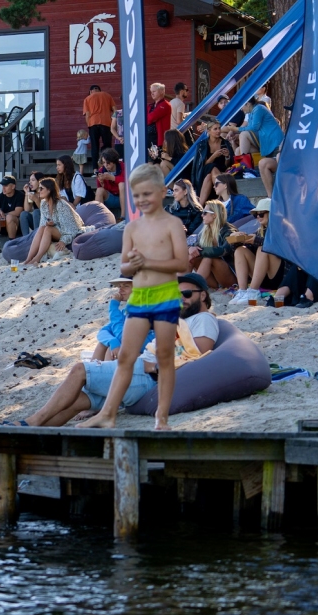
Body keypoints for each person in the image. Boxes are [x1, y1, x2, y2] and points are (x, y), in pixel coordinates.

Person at [23, 272, 217, 428]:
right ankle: (31, 431)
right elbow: (109, 331)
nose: (181, 299)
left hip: (144, 376)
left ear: (202, 295)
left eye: (187, 294)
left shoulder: (204, 319)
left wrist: (154, 367)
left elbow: (195, 355)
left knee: (80, 370)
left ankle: (31, 422)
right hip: (138, 372)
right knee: (78, 401)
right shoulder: (179, 321)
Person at [78, 164, 187, 430]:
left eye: (147, 194)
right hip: (139, 296)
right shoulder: (132, 228)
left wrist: (147, 261)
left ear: (163, 192)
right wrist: (135, 264)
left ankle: (162, 416)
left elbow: (182, 264)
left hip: (164, 295)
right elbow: (124, 267)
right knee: (126, 355)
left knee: (163, 355)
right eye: (137, 196)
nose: (141, 200)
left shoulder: (173, 224)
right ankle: (108, 413)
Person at [223, 97, 282, 196]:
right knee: (238, 150)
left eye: (242, 106)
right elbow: (249, 128)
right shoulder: (252, 113)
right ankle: (243, 171)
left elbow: (254, 128)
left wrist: (235, 128)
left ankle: (246, 169)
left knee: (244, 134)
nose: (241, 109)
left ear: (248, 104)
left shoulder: (259, 109)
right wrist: (234, 134)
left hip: (274, 144)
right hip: (265, 143)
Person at [230, 198, 285, 304]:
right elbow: (231, 250)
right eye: (256, 215)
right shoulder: (260, 231)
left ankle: (253, 291)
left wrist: (257, 240)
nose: (258, 217)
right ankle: (243, 290)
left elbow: (280, 247)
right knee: (240, 250)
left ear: (272, 213)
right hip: (263, 277)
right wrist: (236, 240)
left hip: (280, 276)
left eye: (261, 214)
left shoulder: (283, 229)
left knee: (263, 248)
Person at [23, 177, 85, 266]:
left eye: (41, 188)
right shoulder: (44, 204)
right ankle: (29, 258)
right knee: (42, 228)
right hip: (57, 230)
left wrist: (63, 241)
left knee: (48, 229)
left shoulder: (60, 204)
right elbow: (42, 224)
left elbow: (71, 227)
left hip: (70, 231)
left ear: (49, 190)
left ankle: (37, 258)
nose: (39, 191)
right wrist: (47, 223)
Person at [93, 276, 154, 361]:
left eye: (126, 286)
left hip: (149, 357)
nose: (120, 290)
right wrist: (112, 341)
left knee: (112, 350)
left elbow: (125, 339)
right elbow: (103, 331)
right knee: (105, 344)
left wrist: (113, 307)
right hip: (135, 352)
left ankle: (100, 372)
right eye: (119, 286)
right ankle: (95, 372)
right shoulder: (126, 311)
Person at [188, 200, 235, 289]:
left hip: (231, 277)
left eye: (205, 213)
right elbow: (195, 246)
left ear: (214, 215)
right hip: (214, 280)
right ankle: (180, 286)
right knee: (191, 256)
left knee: (209, 256)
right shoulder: (206, 231)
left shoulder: (229, 231)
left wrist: (199, 252)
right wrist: (190, 248)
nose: (202, 215)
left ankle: (193, 286)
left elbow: (223, 250)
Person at [193, 119, 234, 205]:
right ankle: (223, 195)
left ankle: (200, 205)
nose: (218, 131)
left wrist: (227, 157)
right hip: (204, 172)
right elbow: (201, 165)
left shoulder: (225, 143)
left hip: (219, 172)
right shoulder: (202, 145)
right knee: (212, 166)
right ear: (208, 131)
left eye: (219, 128)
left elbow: (228, 166)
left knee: (210, 175)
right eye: (215, 129)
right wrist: (214, 156)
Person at [0, 175, 25, 255]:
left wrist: (3, 214)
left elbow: (18, 211)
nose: (3, 188)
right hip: (2, 224)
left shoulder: (20, 195)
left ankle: (11, 245)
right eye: (2, 185)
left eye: (6, 185)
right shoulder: (0, 196)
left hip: (16, 225)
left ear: (13, 186)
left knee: (9, 218)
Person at [83, 85, 115, 169]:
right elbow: (115, 110)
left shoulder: (87, 98)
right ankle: (108, 167)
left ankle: (95, 169)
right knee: (107, 146)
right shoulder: (107, 95)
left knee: (94, 146)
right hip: (106, 123)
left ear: (91, 91)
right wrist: (114, 123)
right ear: (100, 90)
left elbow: (87, 115)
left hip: (93, 123)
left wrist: (89, 126)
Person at [94, 149, 126, 215]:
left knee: (122, 184)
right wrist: (101, 182)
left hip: (125, 197)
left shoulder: (123, 166)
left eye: (108, 162)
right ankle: (100, 218)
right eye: (104, 162)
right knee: (99, 190)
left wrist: (112, 178)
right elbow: (99, 187)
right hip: (111, 197)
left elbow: (128, 181)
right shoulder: (102, 170)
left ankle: (123, 216)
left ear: (113, 161)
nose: (106, 165)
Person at [146, 83, 172, 149]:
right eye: (151, 92)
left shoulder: (165, 105)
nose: (152, 94)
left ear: (162, 92)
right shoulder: (150, 106)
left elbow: (150, 119)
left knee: (157, 158)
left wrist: (146, 118)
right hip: (148, 138)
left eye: (154, 91)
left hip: (159, 139)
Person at [18, 171, 44, 237]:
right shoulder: (33, 193)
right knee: (23, 214)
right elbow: (27, 209)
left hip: (46, 222)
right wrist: (26, 193)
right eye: (29, 180)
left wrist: (36, 199)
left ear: (39, 181)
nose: (30, 182)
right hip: (37, 222)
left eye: (33, 180)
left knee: (36, 211)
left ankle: (36, 238)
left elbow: (45, 210)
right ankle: (26, 239)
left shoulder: (45, 192)